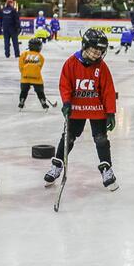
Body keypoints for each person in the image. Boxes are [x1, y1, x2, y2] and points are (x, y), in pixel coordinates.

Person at [44, 29, 119, 191]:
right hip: (76, 109)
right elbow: (65, 85)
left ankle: (107, 169)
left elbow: (108, 90)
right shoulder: (71, 63)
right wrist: (66, 103)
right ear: (84, 47)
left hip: (97, 109)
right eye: (93, 51)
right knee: (68, 138)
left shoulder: (102, 67)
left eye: (99, 52)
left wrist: (110, 112)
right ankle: (57, 165)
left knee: (101, 140)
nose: (96, 55)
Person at [18, 38, 49, 111]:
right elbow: (39, 67)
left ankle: (22, 101)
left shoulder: (24, 54)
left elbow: (20, 66)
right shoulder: (41, 57)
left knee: (24, 91)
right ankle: (43, 102)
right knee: (40, 92)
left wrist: (24, 73)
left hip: (25, 77)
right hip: (37, 78)